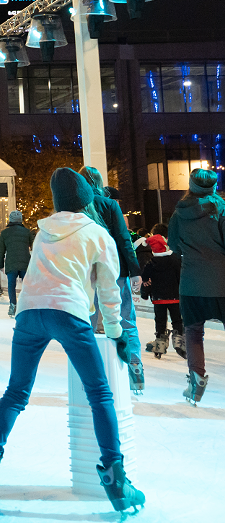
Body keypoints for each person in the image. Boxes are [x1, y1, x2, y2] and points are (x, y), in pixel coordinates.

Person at [0, 168, 143, 514]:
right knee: (99, 394)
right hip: (69, 312)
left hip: (30, 312)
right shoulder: (97, 234)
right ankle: (116, 479)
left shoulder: (43, 232)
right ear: (87, 198)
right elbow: (109, 293)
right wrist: (118, 335)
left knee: (16, 393)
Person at [80, 166, 144, 393]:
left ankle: (91, 373)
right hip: (115, 270)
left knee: (87, 321)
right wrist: (135, 269)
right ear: (99, 182)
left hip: (87, 271)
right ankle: (134, 364)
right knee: (125, 318)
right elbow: (124, 239)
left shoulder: (78, 207)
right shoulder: (110, 205)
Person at [167, 167, 225, 406]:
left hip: (191, 282)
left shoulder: (179, 213)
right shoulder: (220, 208)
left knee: (193, 333)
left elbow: (173, 245)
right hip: (221, 282)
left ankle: (196, 380)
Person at [139, 232, 183, 360]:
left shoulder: (151, 263)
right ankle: (180, 342)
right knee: (177, 320)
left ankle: (160, 345)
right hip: (175, 297)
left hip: (158, 299)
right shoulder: (175, 260)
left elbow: (145, 278)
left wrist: (145, 293)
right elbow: (180, 276)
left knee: (160, 321)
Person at [0, 211, 34, 317]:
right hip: (25, 263)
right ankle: (27, 306)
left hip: (11, 263)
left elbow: (1, 251)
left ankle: (13, 305)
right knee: (27, 286)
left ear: (10, 219)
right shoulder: (27, 232)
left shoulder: (4, 233)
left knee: (11, 285)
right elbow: (35, 247)